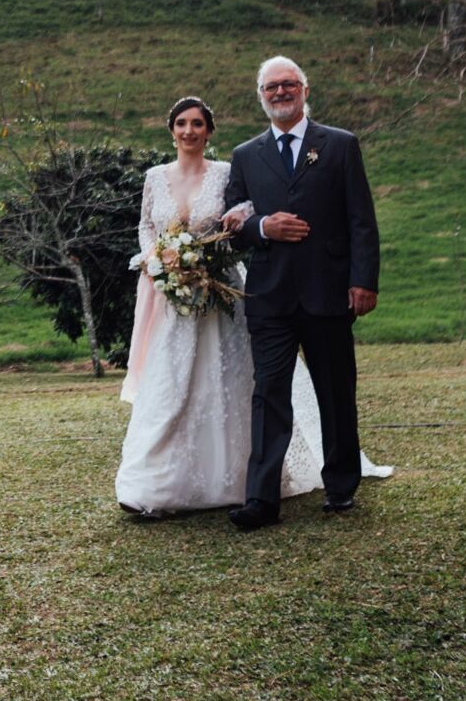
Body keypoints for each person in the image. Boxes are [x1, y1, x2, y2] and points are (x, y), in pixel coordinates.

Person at [115, 95, 388, 517]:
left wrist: (361, 279)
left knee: (281, 389)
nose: (189, 131)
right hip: (195, 296)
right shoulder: (172, 173)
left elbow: (241, 216)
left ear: (209, 131)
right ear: (171, 130)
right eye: (182, 124)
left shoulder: (233, 169)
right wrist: (162, 262)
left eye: (197, 124)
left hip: (236, 295)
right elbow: (149, 226)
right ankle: (193, 486)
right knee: (197, 390)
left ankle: (322, 486)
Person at [222, 56, 387, 531]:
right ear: (260, 95)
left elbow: (361, 220)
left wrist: (364, 280)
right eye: (271, 87)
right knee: (269, 393)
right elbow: (231, 229)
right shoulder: (246, 155)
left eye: (288, 84)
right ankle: (261, 499)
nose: (280, 93)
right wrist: (262, 226)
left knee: (335, 391)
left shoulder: (339, 145)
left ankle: (340, 487)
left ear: (304, 88)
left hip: (328, 290)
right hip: (270, 297)